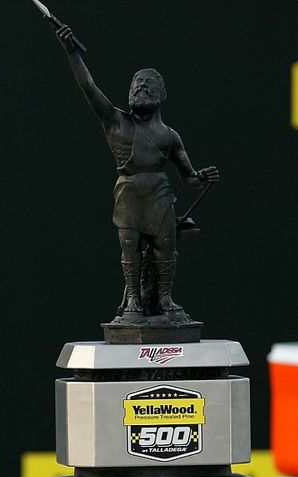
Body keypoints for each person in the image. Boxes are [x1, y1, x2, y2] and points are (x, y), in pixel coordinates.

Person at [55, 24, 220, 320]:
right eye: (136, 84)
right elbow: (89, 88)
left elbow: (188, 176)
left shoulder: (170, 136)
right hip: (129, 193)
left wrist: (201, 178)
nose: (140, 87)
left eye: (147, 84)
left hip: (159, 195)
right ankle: (132, 298)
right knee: (129, 247)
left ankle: (165, 298)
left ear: (162, 94)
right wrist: (72, 53)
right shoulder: (118, 123)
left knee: (165, 246)